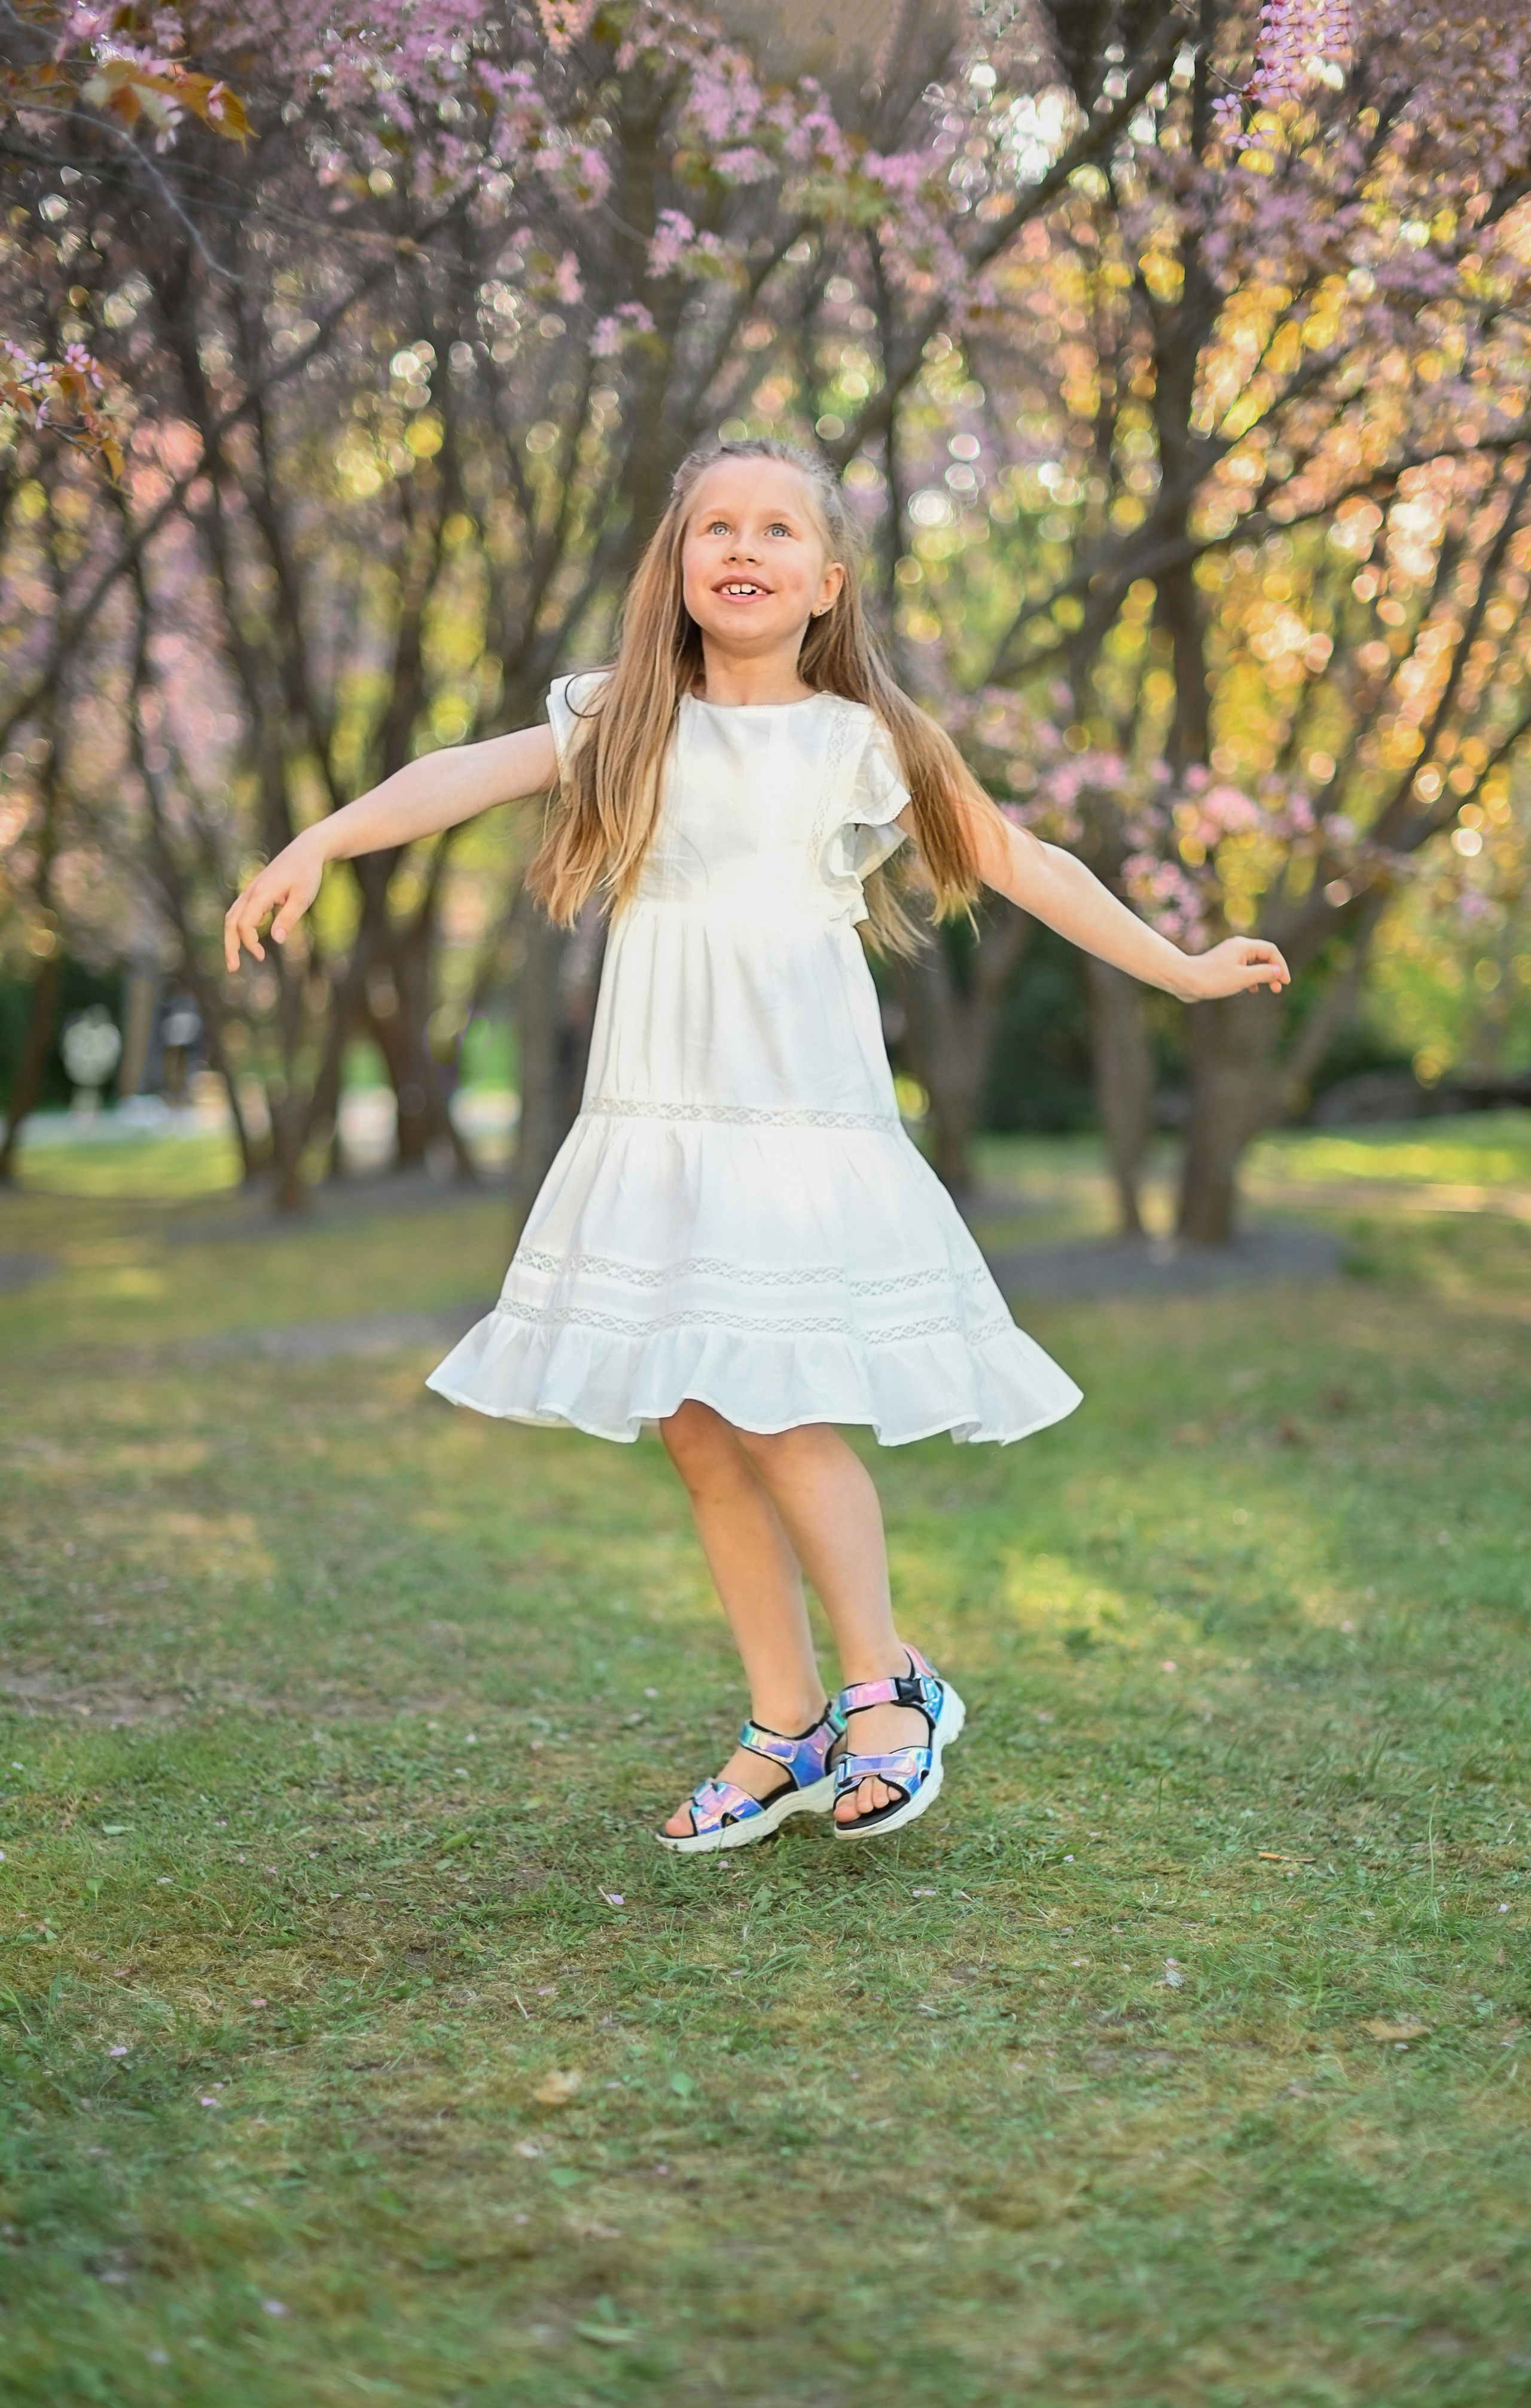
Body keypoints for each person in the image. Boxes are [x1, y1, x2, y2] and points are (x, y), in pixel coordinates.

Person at [225, 437, 1289, 1854]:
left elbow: (1021, 859)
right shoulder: (619, 720)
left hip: (792, 1118)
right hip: (658, 1119)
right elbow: (451, 776)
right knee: (693, 1422)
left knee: (782, 1405)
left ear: (824, 582)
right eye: (713, 526)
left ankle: (885, 1696)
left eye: (775, 529)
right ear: (674, 570)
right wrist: (323, 840)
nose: (740, 545)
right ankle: (783, 1723)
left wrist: (1177, 968)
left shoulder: (860, 740)